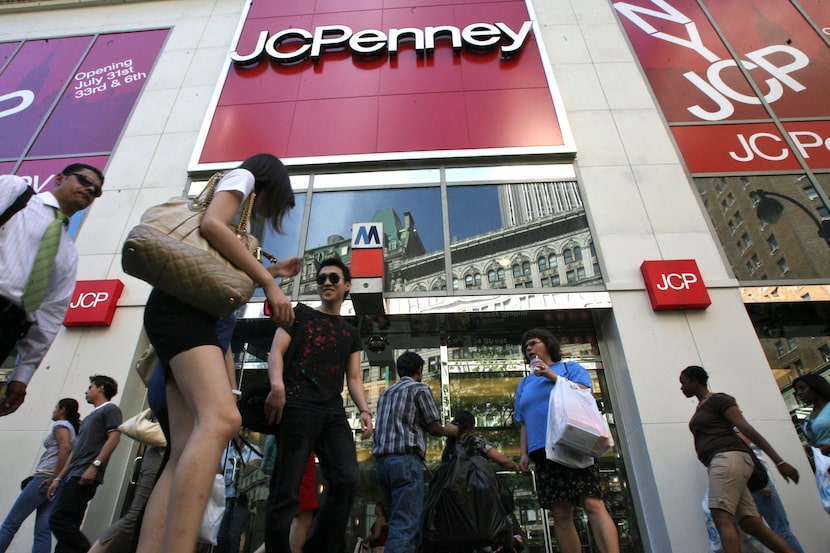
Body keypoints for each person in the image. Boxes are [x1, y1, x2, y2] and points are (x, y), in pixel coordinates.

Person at [134, 153, 298, 553]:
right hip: (185, 312)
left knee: (181, 452)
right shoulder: (242, 177)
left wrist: (273, 274)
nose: (270, 212)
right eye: (276, 203)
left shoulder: (234, 186)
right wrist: (269, 283)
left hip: (180, 311)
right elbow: (211, 225)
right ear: (272, 184)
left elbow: (216, 259)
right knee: (223, 418)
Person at [263, 257, 373, 553]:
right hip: (297, 407)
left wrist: (364, 410)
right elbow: (276, 352)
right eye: (322, 278)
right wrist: (277, 385)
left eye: (334, 278)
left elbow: (353, 378)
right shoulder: (299, 314)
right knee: (286, 491)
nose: (326, 282)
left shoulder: (351, 333)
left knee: (348, 479)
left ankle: (318, 547)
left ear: (346, 286)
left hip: (332, 413)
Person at [0, 164, 105, 416]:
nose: (90, 189)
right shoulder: (16, 193)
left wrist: (22, 374)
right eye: (84, 180)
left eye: (96, 190)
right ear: (59, 178)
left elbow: (48, 317)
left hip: (7, 325)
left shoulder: (68, 255)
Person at [514, 328, 619, 553]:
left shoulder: (570, 369)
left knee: (592, 503)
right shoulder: (524, 384)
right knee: (560, 512)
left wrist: (551, 376)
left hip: (573, 442)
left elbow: (585, 393)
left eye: (533, 343)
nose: (529, 349)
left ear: (548, 344)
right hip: (542, 450)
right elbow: (524, 421)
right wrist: (523, 454)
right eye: (526, 348)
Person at [679, 365, 800, 553]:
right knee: (750, 523)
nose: (681, 388)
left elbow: (746, 428)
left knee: (720, 515)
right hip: (723, 462)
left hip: (727, 458)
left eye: (684, 383)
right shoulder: (702, 406)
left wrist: (779, 461)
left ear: (695, 381)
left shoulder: (718, 400)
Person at [372, 351, 457, 553]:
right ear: (420, 370)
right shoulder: (419, 389)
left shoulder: (386, 393)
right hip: (406, 462)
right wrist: (449, 430)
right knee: (405, 525)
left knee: (398, 523)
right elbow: (434, 426)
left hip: (383, 465)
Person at [48, 375, 122, 553]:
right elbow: (75, 451)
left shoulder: (110, 410)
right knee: (70, 523)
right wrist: (58, 478)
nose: (86, 391)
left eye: (90, 387)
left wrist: (94, 466)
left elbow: (114, 437)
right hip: (74, 473)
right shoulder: (89, 418)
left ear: (101, 388)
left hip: (85, 474)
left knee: (59, 519)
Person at [0, 398, 80, 553]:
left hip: (44, 478)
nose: (53, 410)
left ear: (62, 410)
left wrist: (54, 478)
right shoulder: (73, 430)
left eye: (56, 407)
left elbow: (65, 449)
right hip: (58, 483)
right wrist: (58, 479)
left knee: (11, 523)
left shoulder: (61, 425)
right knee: (43, 531)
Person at [735, 430, 805, 553]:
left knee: (762, 532)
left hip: (749, 483)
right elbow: (744, 454)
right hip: (757, 482)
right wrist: (762, 483)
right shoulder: (736, 429)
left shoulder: (730, 431)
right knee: (779, 527)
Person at [216, 431, 260, 553]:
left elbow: (251, 469)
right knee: (219, 534)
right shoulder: (226, 449)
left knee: (233, 535)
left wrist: (237, 463)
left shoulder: (253, 449)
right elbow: (217, 471)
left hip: (242, 499)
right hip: (223, 496)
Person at [793, 373, 830, 456]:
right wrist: (811, 448)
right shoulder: (808, 418)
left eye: (802, 388)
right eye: (797, 391)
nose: (799, 393)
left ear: (816, 387)